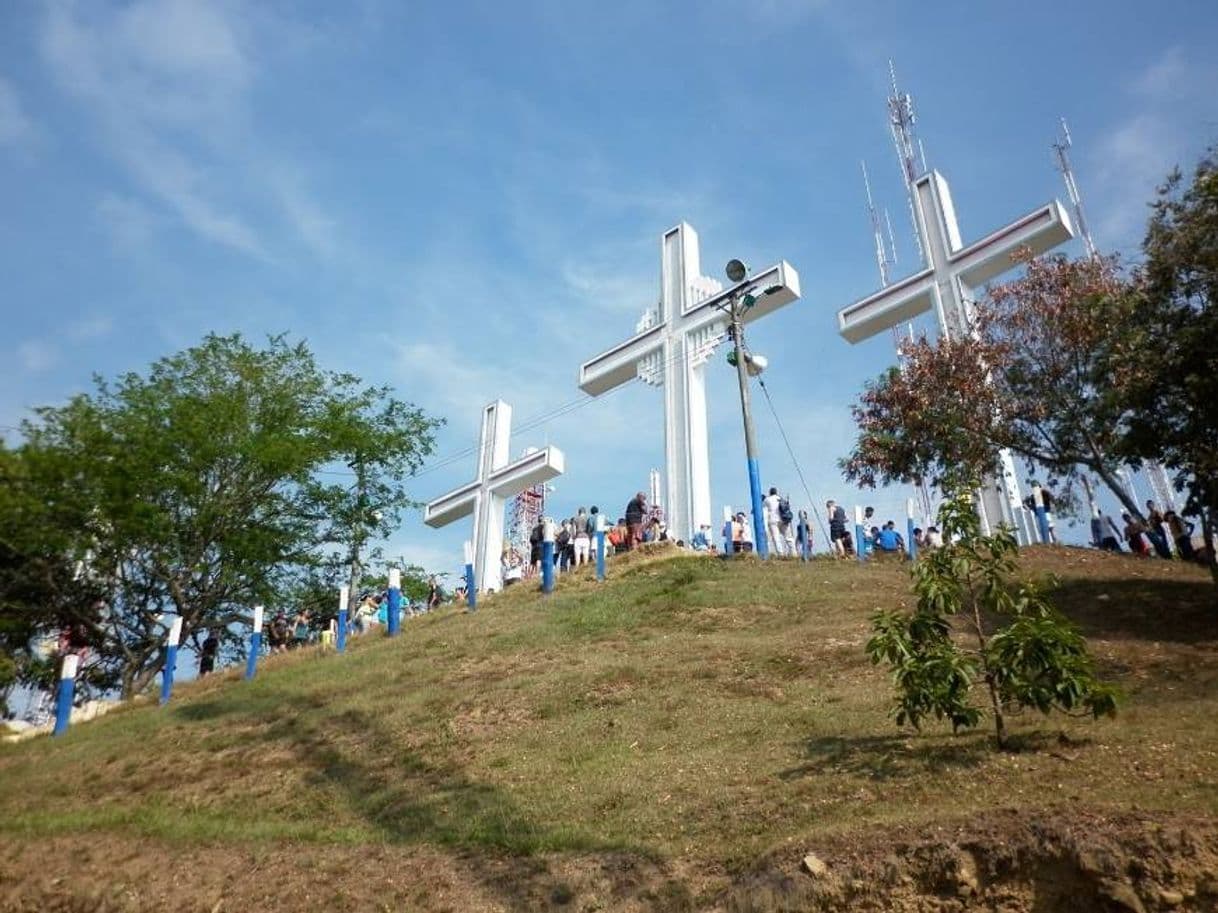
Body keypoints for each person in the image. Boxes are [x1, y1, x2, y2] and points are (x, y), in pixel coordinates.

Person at [763, 487, 786, 558]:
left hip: (772, 520)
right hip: (782, 519)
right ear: (776, 492)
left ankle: (780, 553)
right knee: (788, 537)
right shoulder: (780, 498)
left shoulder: (767, 499)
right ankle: (793, 552)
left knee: (775, 537)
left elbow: (762, 506)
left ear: (770, 492)